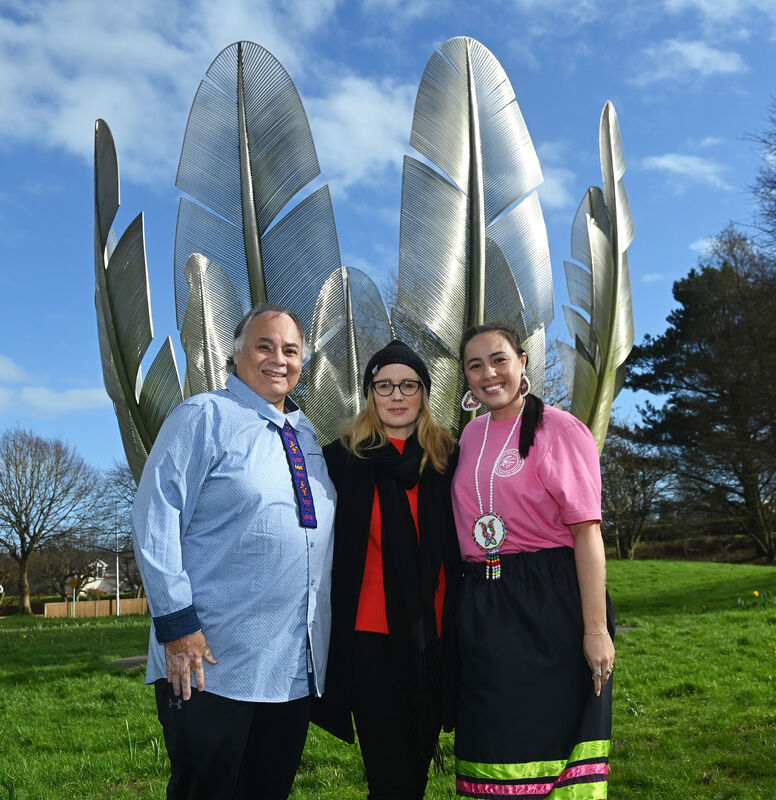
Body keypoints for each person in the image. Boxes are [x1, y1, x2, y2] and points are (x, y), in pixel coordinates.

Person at [131, 304, 336, 800]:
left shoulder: (306, 434)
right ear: (236, 354)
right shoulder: (204, 416)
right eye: (264, 345)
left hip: (289, 668)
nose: (278, 359)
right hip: (210, 663)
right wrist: (177, 628)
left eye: (290, 350)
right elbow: (155, 516)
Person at [452, 323, 615, 799]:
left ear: (522, 362)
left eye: (499, 359)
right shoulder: (470, 435)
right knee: (491, 742)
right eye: (475, 364)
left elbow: (587, 533)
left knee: (553, 745)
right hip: (484, 600)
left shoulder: (559, 429)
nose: (488, 373)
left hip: (550, 602)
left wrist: (596, 629)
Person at [312, 340, 460, 800]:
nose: (396, 395)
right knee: (391, 776)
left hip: (432, 640)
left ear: (424, 393)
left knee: (413, 774)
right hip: (368, 642)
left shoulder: (449, 458)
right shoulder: (339, 459)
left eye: (408, 385)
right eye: (384, 385)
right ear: (370, 392)